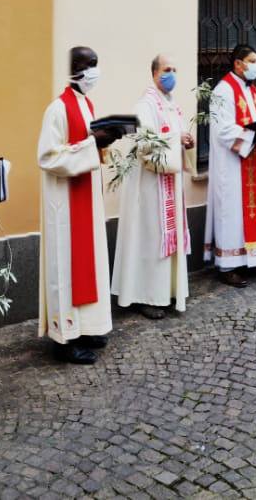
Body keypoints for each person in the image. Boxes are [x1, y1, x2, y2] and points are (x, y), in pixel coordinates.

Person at [37, 46, 119, 365]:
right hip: (66, 205)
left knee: (90, 265)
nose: (93, 71)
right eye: (88, 65)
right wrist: (91, 145)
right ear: (74, 68)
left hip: (86, 197)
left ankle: (87, 328)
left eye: (97, 64)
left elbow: (89, 146)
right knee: (67, 269)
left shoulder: (87, 104)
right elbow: (48, 157)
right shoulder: (57, 109)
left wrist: (105, 141)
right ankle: (66, 338)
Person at [112, 54, 194, 319]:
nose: (172, 74)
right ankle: (145, 295)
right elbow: (144, 143)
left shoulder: (172, 105)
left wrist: (186, 142)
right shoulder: (144, 105)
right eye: (167, 69)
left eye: (174, 69)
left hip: (168, 180)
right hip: (148, 185)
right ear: (154, 73)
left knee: (166, 237)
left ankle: (167, 292)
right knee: (149, 237)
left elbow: (174, 136)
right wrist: (175, 138)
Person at [206, 44, 256, 288]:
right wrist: (254, 135)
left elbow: (255, 120)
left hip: (251, 160)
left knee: (251, 210)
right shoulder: (222, 91)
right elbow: (222, 129)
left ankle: (252, 259)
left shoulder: (252, 91)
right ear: (238, 63)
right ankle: (228, 266)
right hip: (231, 164)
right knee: (232, 212)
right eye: (252, 60)